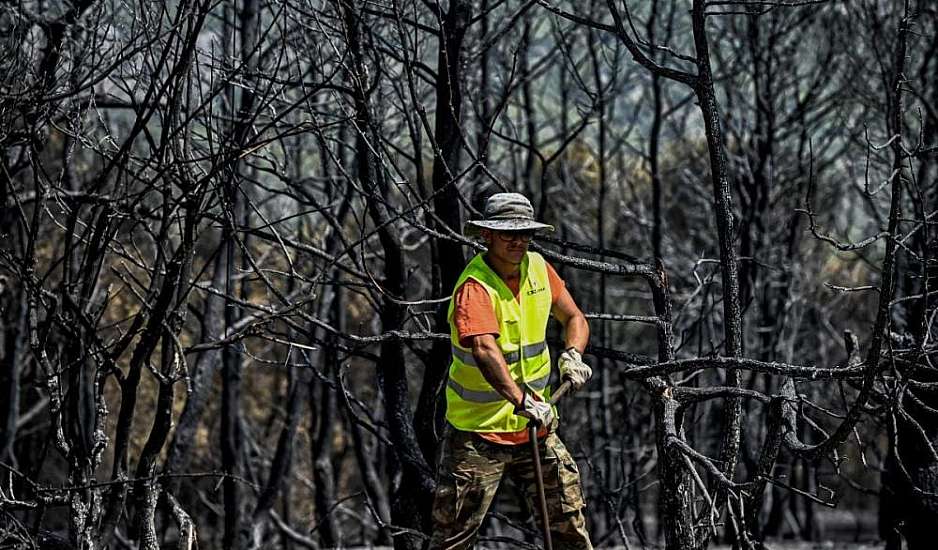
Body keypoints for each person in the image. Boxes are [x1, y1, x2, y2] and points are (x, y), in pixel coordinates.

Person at [428, 192, 594, 549]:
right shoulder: (475, 287)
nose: (518, 241)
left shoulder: (538, 268)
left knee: (569, 526)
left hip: (536, 429)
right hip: (479, 436)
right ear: (487, 235)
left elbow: (574, 317)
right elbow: (485, 350)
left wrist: (573, 354)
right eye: (508, 234)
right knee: (453, 538)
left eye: (524, 233)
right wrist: (521, 399)